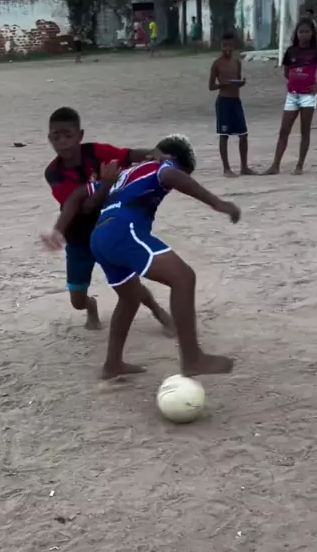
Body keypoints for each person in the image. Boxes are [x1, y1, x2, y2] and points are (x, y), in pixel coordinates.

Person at [83, 135, 240, 380]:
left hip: (99, 236)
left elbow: (88, 199)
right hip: (123, 229)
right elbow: (169, 175)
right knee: (183, 278)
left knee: (130, 298)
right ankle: (192, 359)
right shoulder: (162, 164)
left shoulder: (125, 173)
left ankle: (112, 364)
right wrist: (217, 203)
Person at [43, 107, 172, 332]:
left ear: (80, 136)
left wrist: (154, 153)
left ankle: (159, 312)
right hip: (78, 238)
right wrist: (106, 184)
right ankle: (90, 306)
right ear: (49, 138)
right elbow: (84, 207)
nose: (62, 142)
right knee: (77, 300)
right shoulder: (53, 173)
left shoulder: (96, 152)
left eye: (68, 135)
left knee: (129, 284)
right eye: (56, 136)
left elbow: (129, 155)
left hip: (108, 231)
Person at [265, 19, 317, 175]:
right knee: (284, 130)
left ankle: (299, 165)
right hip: (292, 95)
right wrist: (294, 80)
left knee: (305, 130)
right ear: (296, 34)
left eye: (307, 32)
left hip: (308, 96)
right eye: (301, 32)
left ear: (312, 33)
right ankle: (275, 165)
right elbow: (286, 71)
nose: (304, 35)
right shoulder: (291, 51)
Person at [209, 32, 255, 177]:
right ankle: (226, 169)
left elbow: (237, 81)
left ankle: (244, 167)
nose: (227, 49)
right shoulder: (217, 64)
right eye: (224, 45)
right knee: (224, 135)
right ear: (221, 46)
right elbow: (211, 86)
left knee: (243, 134)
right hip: (223, 101)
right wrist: (223, 84)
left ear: (234, 45)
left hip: (236, 101)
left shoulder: (237, 63)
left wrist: (241, 83)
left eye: (229, 45)